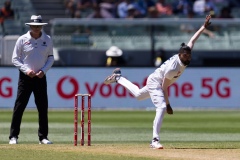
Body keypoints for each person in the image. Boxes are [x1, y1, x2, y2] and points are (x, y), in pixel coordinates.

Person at [104, 15, 212, 149]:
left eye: (189, 55)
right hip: (156, 82)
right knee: (160, 108)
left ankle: (118, 78)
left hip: (155, 79)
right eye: (185, 55)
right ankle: (154, 140)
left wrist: (203, 27)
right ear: (179, 55)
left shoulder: (185, 53)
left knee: (138, 95)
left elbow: (192, 40)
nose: (188, 57)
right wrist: (168, 105)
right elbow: (164, 87)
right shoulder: (173, 68)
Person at [9, 15, 54, 144]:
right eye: (34, 26)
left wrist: (43, 71)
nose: (36, 28)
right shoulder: (22, 40)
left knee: (42, 107)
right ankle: (13, 136)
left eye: (38, 26)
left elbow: (50, 57)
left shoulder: (47, 39)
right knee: (19, 106)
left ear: (41, 26)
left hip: (40, 77)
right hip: (25, 77)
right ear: (30, 26)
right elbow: (15, 59)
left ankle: (43, 137)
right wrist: (26, 70)